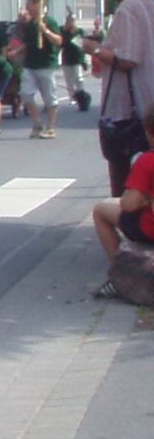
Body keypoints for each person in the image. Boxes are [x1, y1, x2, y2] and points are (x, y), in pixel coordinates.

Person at [96, 0, 154, 193]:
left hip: (130, 104)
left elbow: (128, 59)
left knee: (119, 165)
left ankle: (126, 217)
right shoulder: (149, 3)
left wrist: (96, 50)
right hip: (149, 99)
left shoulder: (128, 8)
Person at [91, 102, 154, 302]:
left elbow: (130, 204)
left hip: (149, 227)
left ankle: (121, 276)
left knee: (101, 211)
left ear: (149, 132)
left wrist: (142, 198)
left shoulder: (147, 161)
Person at [14, 0, 61, 138]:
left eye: (30, 5)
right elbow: (27, 43)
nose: (27, 7)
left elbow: (58, 41)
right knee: (25, 93)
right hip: (30, 64)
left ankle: (50, 127)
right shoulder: (28, 25)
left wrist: (45, 30)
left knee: (49, 97)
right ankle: (37, 123)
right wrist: (17, 51)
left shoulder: (49, 21)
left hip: (46, 64)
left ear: (37, 5)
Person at [60, 10, 88, 112]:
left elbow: (80, 46)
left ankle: (81, 94)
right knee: (69, 80)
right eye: (69, 20)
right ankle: (72, 98)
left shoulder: (78, 31)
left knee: (78, 78)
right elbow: (62, 43)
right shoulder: (63, 31)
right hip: (67, 59)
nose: (71, 22)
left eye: (73, 20)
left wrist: (83, 60)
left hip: (76, 59)